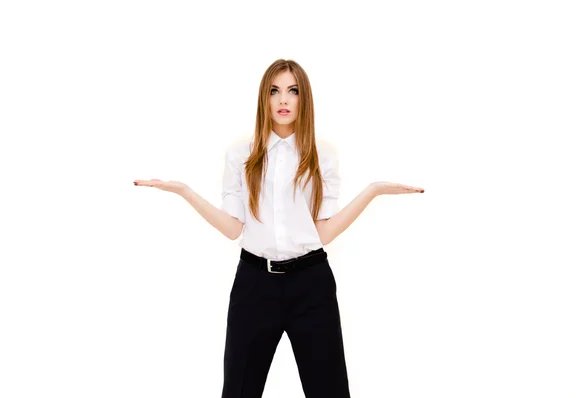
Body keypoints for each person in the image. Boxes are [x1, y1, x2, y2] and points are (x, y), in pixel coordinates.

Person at [134, 59, 424, 398]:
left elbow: (324, 233)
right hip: (254, 285)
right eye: (274, 91)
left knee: (329, 391)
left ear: (304, 99)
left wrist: (372, 191)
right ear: (264, 98)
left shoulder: (323, 154)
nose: (283, 100)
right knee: (239, 390)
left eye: (292, 91)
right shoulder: (241, 154)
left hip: (311, 284)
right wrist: (185, 192)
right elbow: (232, 228)